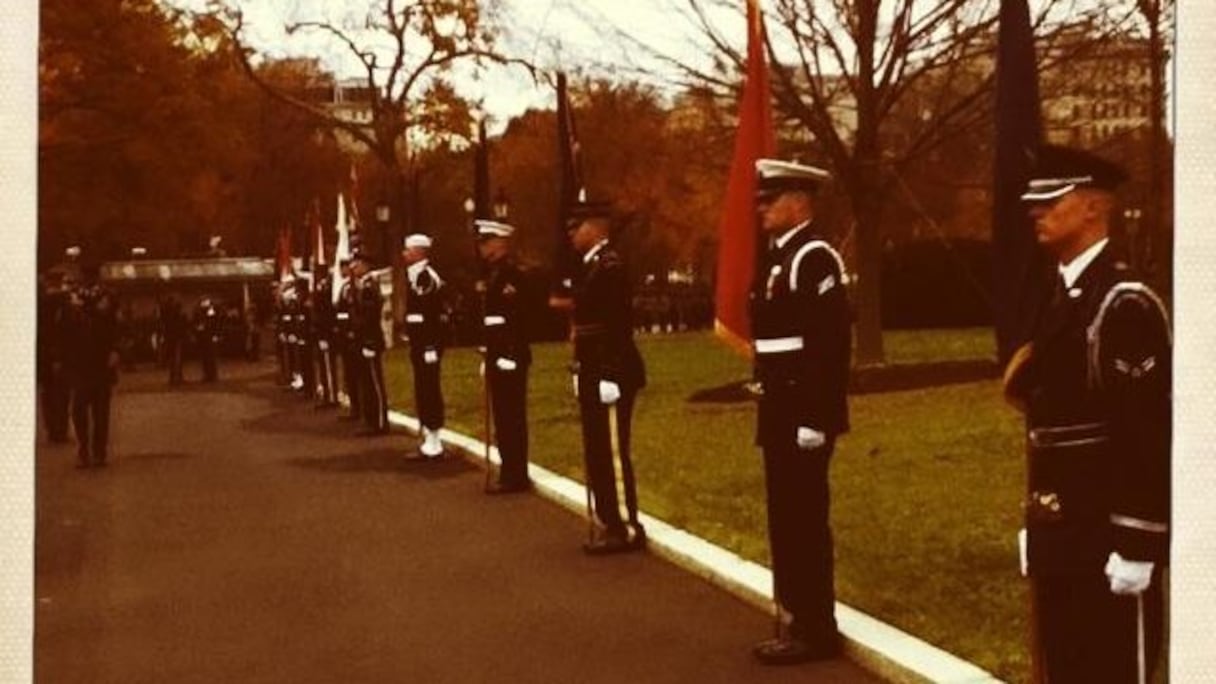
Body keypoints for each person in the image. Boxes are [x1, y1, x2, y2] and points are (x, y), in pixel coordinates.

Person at [1004, 145, 1170, 683]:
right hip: (1063, 531)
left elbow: (1144, 434)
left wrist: (1139, 543)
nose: (1036, 211)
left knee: (1112, 668)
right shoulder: (1058, 296)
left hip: (1107, 537)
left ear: (1094, 207)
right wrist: (1039, 521)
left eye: (1052, 199)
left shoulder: (1123, 303)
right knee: (1067, 666)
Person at [749, 159, 851, 665]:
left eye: (771, 200)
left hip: (802, 410)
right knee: (785, 518)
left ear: (799, 203)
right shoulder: (776, 258)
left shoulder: (814, 258)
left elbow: (828, 345)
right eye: (761, 200)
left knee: (806, 520)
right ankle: (796, 616)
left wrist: (817, 416)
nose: (762, 209)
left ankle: (817, 625)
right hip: (778, 406)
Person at [566, 200, 647, 554]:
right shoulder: (590, 266)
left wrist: (610, 373)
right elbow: (583, 328)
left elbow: (617, 325)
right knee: (596, 450)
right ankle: (608, 518)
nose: (571, 233)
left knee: (612, 452)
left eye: (577, 226)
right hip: (592, 370)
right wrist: (580, 369)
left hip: (611, 370)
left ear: (597, 227)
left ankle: (626, 526)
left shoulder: (609, 266)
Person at [475, 219, 533, 493]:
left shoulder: (512, 275)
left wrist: (508, 352)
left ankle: (516, 473)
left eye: (487, 242)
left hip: (511, 355)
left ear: (500, 243)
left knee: (512, 416)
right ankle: (509, 468)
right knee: (503, 416)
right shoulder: (493, 274)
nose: (483, 248)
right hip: (497, 354)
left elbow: (517, 319)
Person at [60, 259, 121, 468]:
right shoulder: (73, 298)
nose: (87, 280)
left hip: (101, 359)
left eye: (90, 276)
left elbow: (115, 325)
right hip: (80, 360)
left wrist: (115, 350)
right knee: (79, 408)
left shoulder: (108, 297)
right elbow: (65, 330)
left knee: (100, 410)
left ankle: (98, 451)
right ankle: (85, 448)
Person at [402, 233, 449, 459]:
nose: (405, 254)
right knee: (423, 388)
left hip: (427, 345)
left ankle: (434, 440)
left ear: (419, 251)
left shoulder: (425, 278)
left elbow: (429, 316)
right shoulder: (415, 276)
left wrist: (430, 346)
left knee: (429, 388)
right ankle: (428, 437)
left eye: (408, 250)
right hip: (420, 344)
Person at [352, 252, 390, 436]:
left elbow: (371, 316)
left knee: (374, 382)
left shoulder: (370, 286)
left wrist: (368, 341)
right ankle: (370, 420)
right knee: (366, 381)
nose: (354, 267)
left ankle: (381, 421)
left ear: (366, 265)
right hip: (363, 339)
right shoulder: (361, 285)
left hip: (371, 339)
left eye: (357, 263)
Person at [37, 268, 73, 443]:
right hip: (63, 354)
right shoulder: (64, 301)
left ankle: (52, 429)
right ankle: (60, 428)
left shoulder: (40, 301)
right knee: (62, 393)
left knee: (48, 393)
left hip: (44, 355)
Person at [334, 256, 363, 422]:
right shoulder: (345, 287)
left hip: (354, 335)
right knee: (350, 374)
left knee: (357, 373)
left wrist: (351, 330)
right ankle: (354, 406)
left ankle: (360, 408)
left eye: (345, 267)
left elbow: (355, 312)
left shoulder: (355, 287)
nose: (343, 271)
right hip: (345, 335)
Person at [312, 271, 339, 408]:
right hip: (322, 333)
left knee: (328, 367)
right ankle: (328, 395)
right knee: (324, 367)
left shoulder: (329, 292)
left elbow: (326, 315)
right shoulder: (323, 290)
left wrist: (324, 336)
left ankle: (332, 397)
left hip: (327, 334)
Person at [158, 294, 187, 385]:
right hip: (176, 337)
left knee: (173, 358)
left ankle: (174, 377)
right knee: (177, 358)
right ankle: (177, 377)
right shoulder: (175, 313)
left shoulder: (165, 312)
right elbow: (181, 324)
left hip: (170, 336)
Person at [193, 296, 222, 382]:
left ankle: (211, 375)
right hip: (205, 337)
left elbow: (213, 322)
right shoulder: (203, 312)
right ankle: (209, 375)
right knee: (207, 358)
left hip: (207, 337)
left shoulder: (209, 311)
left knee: (209, 357)